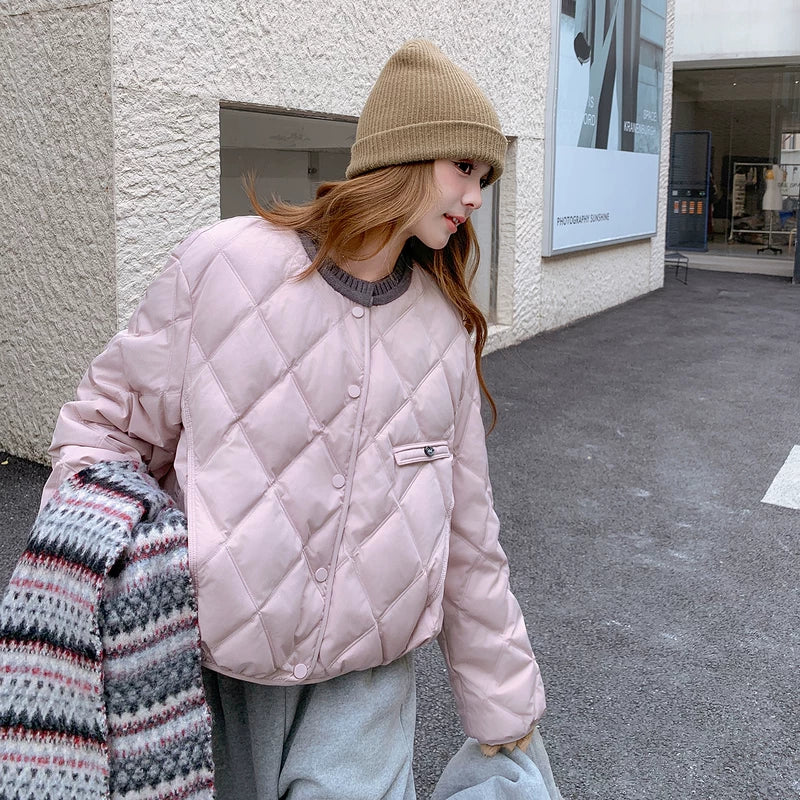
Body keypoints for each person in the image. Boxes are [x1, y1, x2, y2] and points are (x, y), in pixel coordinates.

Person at [42, 39, 550, 799]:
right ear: (405, 156)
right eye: (465, 168)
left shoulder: (441, 328)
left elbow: (468, 532)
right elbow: (102, 428)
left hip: (366, 689)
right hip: (207, 672)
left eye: (485, 178)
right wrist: (113, 555)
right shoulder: (224, 266)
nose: (476, 196)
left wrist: (504, 703)